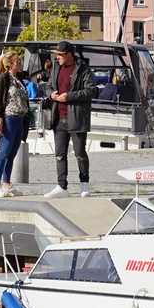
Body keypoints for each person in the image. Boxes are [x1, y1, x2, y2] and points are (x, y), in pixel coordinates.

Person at [42, 41, 97, 197]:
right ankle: (61, 187)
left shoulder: (84, 70)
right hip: (58, 117)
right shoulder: (56, 68)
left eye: (60, 54)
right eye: (56, 54)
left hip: (77, 117)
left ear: (69, 54)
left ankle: (84, 184)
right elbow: (48, 86)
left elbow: (91, 91)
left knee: (79, 153)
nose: (57, 57)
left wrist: (70, 96)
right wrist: (50, 94)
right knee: (59, 154)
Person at [0, 51, 31, 198]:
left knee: (12, 154)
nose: (20, 63)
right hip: (9, 118)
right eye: (17, 61)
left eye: (20, 61)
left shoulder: (18, 78)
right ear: (9, 64)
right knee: (3, 152)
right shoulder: (3, 79)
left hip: (20, 119)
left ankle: (7, 183)